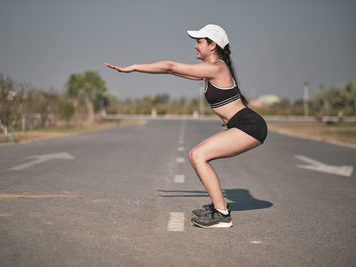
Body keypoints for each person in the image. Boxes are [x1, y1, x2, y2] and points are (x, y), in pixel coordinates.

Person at [105, 24, 267, 228]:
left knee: (199, 155)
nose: (195, 46)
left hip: (250, 125)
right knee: (195, 155)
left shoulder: (218, 68)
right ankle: (218, 207)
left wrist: (134, 67)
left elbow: (171, 66)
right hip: (243, 124)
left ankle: (222, 215)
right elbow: (171, 72)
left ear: (212, 45)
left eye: (199, 42)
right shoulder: (210, 71)